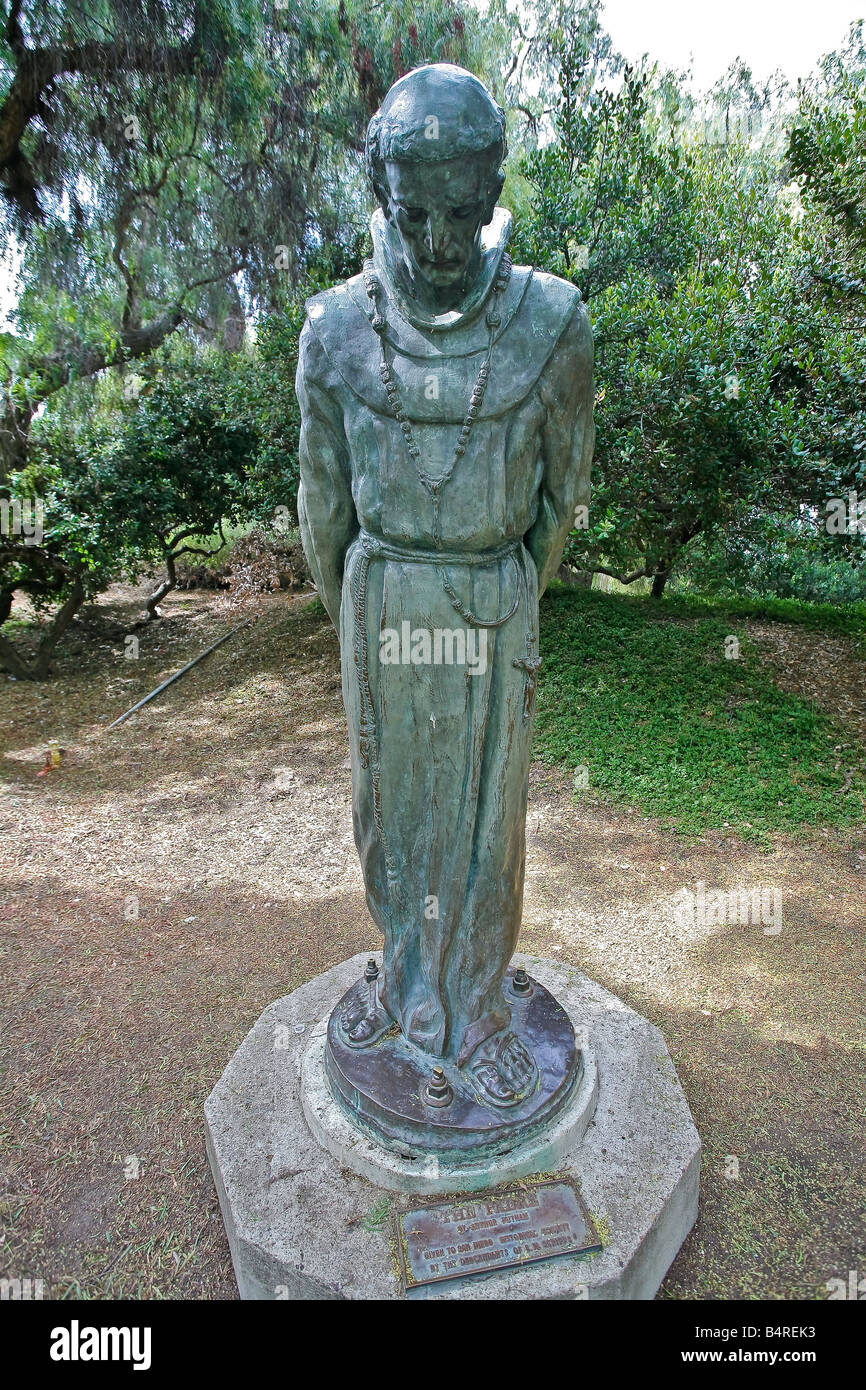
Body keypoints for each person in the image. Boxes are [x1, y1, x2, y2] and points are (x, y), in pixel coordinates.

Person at [296, 63, 594, 1108]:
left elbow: (562, 496)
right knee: (391, 811)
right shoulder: (333, 327)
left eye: (460, 211)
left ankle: (475, 1009)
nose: (433, 241)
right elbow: (321, 511)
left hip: (490, 597)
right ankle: (401, 974)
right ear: (381, 192)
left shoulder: (551, 324)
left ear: (492, 186)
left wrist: (505, 592)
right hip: (381, 606)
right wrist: (368, 621)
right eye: (411, 211)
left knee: (481, 826)